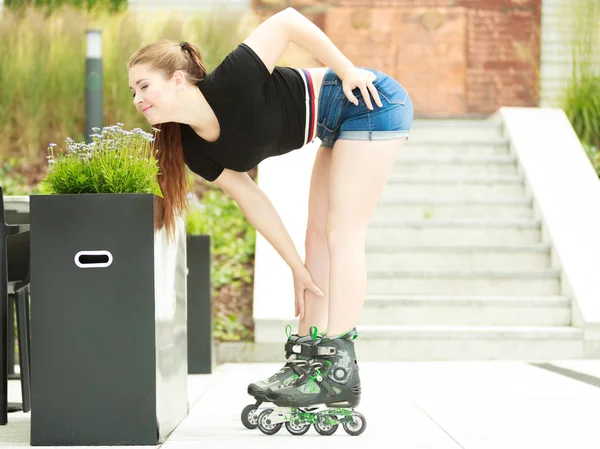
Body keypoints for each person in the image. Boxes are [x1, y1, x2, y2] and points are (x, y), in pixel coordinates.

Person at [128, 7, 413, 432]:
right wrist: (296, 268)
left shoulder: (231, 81)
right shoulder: (193, 148)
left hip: (367, 100)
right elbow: (252, 198)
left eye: (143, 85)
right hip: (332, 125)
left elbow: (287, 20)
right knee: (315, 239)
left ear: (178, 79)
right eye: (133, 91)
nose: (137, 99)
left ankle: (337, 369)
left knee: (342, 233)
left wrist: (348, 70)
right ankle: (308, 361)